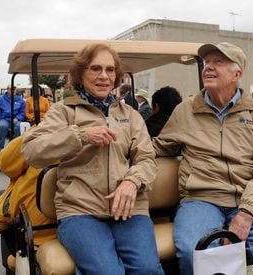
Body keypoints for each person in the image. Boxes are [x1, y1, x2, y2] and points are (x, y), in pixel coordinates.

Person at [152, 42, 253, 275]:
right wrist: (123, 148)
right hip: (200, 200)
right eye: (207, 63)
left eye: (218, 63)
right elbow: (160, 147)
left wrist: (247, 212)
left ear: (237, 74)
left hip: (247, 200)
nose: (208, 67)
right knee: (197, 253)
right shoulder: (185, 111)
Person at [21, 43, 163, 275]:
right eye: (95, 69)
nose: (104, 76)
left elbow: (147, 159)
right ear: (80, 74)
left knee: (147, 269)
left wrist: (132, 182)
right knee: (108, 272)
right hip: (80, 211)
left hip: (129, 208)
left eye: (110, 70)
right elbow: (32, 152)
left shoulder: (131, 115)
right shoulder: (64, 112)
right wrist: (80, 135)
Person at [0, 135, 56, 271]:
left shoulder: (44, 132)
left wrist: (33, 129)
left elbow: (5, 164)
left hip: (43, 223)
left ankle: (15, 259)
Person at [0, 86, 26, 151]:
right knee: (3, 126)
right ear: (7, 90)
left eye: (14, 89)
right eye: (11, 89)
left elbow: (22, 112)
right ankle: (0, 147)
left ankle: (16, 147)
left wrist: (17, 118)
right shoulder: (1, 99)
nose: (12, 90)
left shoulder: (21, 100)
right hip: (5, 118)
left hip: (16, 119)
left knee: (18, 127)